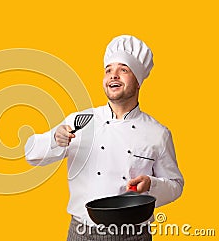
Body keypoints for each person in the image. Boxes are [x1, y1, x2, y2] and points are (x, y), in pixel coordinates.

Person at [24, 35, 184, 241]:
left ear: (138, 81)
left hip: (133, 234)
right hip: (82, 232)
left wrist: (151, 185)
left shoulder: (158, 133)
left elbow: (175, 184)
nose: (113, 75)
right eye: (108, 70)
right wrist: (55, 138)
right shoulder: (80, 121)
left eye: (123, 70)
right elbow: (31, 154)